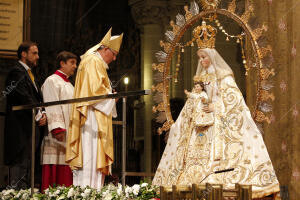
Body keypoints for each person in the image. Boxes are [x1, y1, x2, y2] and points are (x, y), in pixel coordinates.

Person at [153, 48, 280, 198]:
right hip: (202, 121)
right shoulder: (201, 79)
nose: (201, 61)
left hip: (218, 122)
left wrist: (216, 106)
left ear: (212, 57)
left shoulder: (224, 78)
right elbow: (198, 97)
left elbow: (235, 101)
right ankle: (193, 184)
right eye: (199, 58)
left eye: (204, 57)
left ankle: (218, 182)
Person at [66, 28, 123, 189]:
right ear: (105, 49)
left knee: (92, 154)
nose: (115, 57)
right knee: (91, 154)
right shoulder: (93, 61)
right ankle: (89, 192)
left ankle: (90, 191)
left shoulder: (93, 61)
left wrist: (110, 96)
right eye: (113, 53)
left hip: (93, 114)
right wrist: (111, 97)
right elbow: (94, 92)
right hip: (91, 116)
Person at [4, 41, 47, 189]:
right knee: (20, 166)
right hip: (20, 129)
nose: (38, 56)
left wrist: (43, 113)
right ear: (23, 54)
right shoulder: (16, 72)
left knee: (28, 166)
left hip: (31, 129)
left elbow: (37, 99)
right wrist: (38, 115)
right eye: (34, 53)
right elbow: (23, 97)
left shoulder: (30, 74)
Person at [40, 51, 77, 191]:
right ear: (62, 63)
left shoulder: (69, 84)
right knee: (56, 169)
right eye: (72, 62)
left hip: (69, 134)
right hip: (57, 136)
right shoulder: (52, 80)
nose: (75, 66)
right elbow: (52, 104)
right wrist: (58, 128)